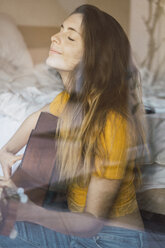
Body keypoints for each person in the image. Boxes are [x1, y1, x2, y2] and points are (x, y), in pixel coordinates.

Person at [0, 4, 148, 248]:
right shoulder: (71, 101)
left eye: (70, 37)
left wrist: (26, 212)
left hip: (114, 240)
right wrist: (6, 150)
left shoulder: (112, 123)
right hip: (83, 232)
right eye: (60, 30)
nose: (54, 37)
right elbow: (37, 117)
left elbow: (91, 223)